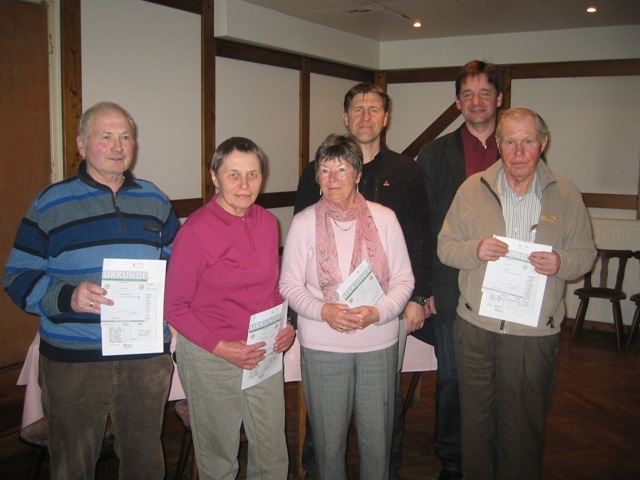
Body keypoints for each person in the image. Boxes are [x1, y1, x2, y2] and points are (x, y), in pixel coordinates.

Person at [2, 102, 180, 479]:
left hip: (143, 356)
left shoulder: (155, 200)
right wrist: (68, 296)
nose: (118, 146)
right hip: (74, 358)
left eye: (126, 136)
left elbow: (176, 268)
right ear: (82, 145)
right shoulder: (50, 203)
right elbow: (17, 276)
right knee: (73, 462)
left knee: (144, 457)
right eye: (106, 136)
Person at [438, 107, 596, 479]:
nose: (519, 151)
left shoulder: (566, 194)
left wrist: (561, 263)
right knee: (475, 430)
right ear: (498, 144)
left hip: (533, 334)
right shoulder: (472, 188)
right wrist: (474, 250)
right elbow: (445, 246)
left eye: (527, 141)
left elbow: (585, 255)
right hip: (476, 328)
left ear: (543, 143)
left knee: (523, 431)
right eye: (510, 141)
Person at [295, 82, 432, 480]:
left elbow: (420, 237)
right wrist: (310, 311)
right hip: (326, 319)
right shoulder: (316, 171)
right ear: (345, 116)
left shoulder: (407, 170)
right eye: (358, 109)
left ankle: (385, 469)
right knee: (325, 414)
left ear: (385, 118)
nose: (366, 117)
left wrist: (417, 297)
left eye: (374, 110)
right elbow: (303, 243)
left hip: (387, 310)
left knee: (383, 406)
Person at [281, 133, 414, 480]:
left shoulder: (385, 218)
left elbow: (404, 281)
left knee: (378, 443)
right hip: (324, 344)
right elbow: (290, 285)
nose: (333, 179)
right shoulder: (303, 222)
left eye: (342, 169)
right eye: (324, 171)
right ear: (317, 178)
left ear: (358, 175)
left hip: (378, 341)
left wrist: (379, 312)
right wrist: (323, 311)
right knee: (327, 444)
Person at [164, 137, 295, 480]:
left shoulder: (268, 222)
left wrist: (286, 325)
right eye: (233, 174)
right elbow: (174, 307)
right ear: (214, 177)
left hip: (262, 351)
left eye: (253, 174)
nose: (244, 184)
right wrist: (223, 348)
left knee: (272, 453)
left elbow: (272, 289)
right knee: (219, 458)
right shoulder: (196, 230)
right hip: (212, 357)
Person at [414, 59, 503, 479]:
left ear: (499, 98)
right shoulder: (434, 154)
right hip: (451, 286)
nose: (476, 101)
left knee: (499, 379)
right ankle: (451, 459)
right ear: (457, 102)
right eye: (467, 94)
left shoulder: (517, 148)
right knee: (451, 379)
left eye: (485, 92)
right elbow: (427, 222)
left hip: (503, 285)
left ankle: (492, 453)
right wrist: (426, 288)